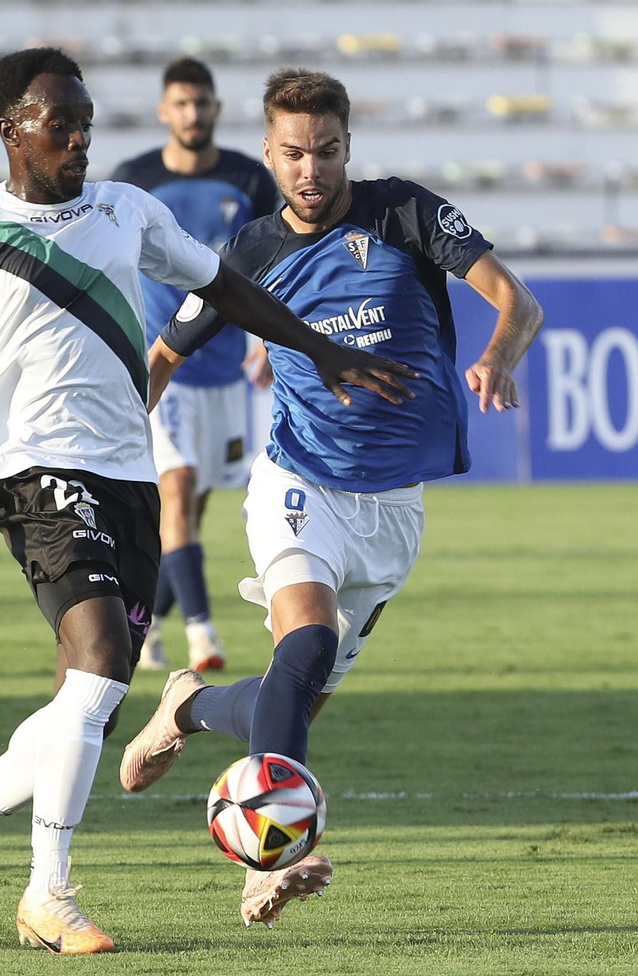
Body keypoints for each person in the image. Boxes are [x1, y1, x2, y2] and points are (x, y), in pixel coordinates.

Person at [0, 49, 414, 954]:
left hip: (127, 475)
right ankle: (48, 895)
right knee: (103, 661)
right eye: (58, 124)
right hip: (30, 470)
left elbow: (223, 287)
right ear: (11, 130)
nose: (77, 139)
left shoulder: (125, 210)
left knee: (87, 699)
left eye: (85, 123)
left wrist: (322, 349)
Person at [118, 68, 544, 929]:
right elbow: (162, 356)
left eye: (326, 151)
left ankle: (187, 705)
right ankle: (268, 865)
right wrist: (117, 453)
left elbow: (516, 301)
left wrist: (497, 356)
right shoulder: (249, 255)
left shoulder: (403, 214)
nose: (310, 170)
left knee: (293, 697)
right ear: (269, 153)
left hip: (393, 512)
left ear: (349, 146)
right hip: (299, 481)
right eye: (293, 154)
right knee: (305, 643)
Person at [110, 57, 279, 675]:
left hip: (224, 369)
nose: (192, 113)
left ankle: (142, 626)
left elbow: (275, 260)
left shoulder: (248, 178)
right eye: (181, 103)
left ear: (216, 108)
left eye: (201, 102)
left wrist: (267, 339)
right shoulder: (134, 181)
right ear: (165, 111)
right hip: (162, 363)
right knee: (176, 496)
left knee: (188, 519)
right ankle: (203, 636)